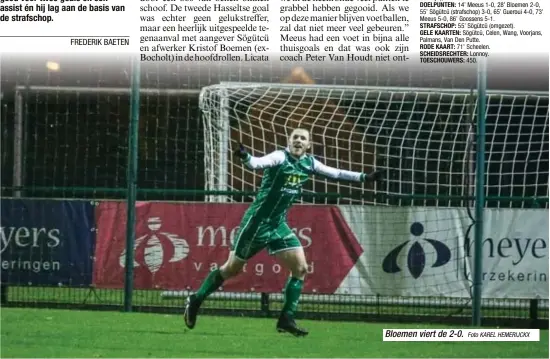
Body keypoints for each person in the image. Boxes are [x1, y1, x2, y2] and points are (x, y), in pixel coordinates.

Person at [184, 128, 384, 336]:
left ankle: (286, 318)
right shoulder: (280, 157)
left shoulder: (310, 163)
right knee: (231, 269)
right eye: (295, 137)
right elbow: (257, 163)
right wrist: (245, 156)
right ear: (289, 142)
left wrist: (365, 177)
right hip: (256, 224)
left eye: (303, 138)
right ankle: (196, 299)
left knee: (301, 268)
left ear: (308, 145)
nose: (298, 140)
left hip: (278, 224)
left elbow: (336, 173)